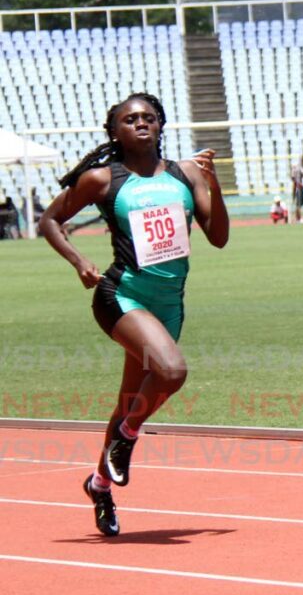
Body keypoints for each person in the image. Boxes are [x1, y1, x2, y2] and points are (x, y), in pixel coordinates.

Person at [37, 92, 230, 538]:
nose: (141, 123)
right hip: (121, 297)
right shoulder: (103, 179)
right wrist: (79, 261)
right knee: (172, 371)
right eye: (130, 119)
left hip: (169, 306)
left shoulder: (186, 174)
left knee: (131, 400)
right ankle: (126, 437)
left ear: (160, 125)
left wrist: (213, 185)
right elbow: (50, 220)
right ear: (115, 131)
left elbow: (218, 237)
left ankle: (99, 484)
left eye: (148, 117)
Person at [290, 154, 303, 222]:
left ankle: (297, 218)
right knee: (298, 204)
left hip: (299, 187)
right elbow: (295, 180)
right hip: (297, 187)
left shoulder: (299, 167)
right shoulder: (298, 168)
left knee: (299, 204)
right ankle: (298, 219)